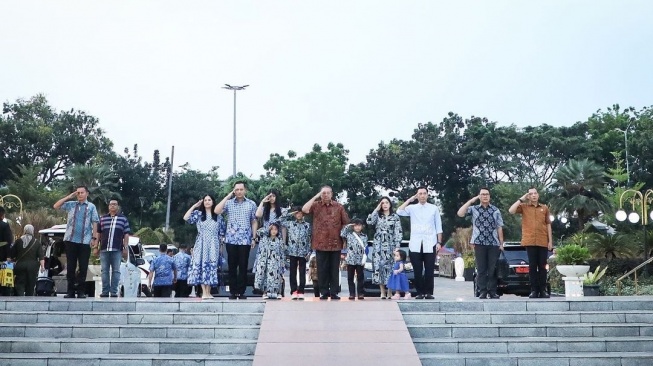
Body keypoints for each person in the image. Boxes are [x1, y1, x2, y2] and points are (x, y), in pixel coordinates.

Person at [302, 185, 350, 300]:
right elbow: (304, 209)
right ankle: (324, 292)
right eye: (323, 193)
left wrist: (345, 240)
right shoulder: (316, 206)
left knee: (334, 269)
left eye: (328, 193)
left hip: (335, 242)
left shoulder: (339, 207)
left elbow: (346, 223)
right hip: (320, 242)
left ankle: (334, 292)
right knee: (322, 269)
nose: (326, 195)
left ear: (332, 194)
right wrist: (316, 196)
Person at [457, 188, 505, 299]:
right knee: (481, 269)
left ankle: (492, 291)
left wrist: (501, 243)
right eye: (483, 194)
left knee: (492, 269)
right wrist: (471, 201)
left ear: (490, 196)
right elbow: (460, 213)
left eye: (487, 194)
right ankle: (482, 290)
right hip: (479, 242)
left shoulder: (495, 210)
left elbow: (499, 227)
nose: (485, 196)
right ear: (479, 196)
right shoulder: (474, 209)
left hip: (493, 242)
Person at [53, 186, 100, 299]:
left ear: (87, 193)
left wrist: (94, 239)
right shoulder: (72, 204)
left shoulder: (91, 207)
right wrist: (69, 197)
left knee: (83, 267)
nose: (79, 194)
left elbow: (95, 222)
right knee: (70, 266)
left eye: (82, 192)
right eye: (78, 193)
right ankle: (70, 291)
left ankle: (81, 291)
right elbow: (56, 206)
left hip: (85, 240)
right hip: (70, 239)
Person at [397, 187, 443, 300]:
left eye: (424, 193)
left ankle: (428, 292)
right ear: (417, 195)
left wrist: (439, 242)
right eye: (420, 194)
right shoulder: (412, 208)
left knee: (429, 269)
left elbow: (438, 226)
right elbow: (399, 211)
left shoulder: (433, 208)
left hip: (430, 242)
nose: (422, 196)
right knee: (417, 270)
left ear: (427, 195)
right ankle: (419, 292)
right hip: (415, 243)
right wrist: (410, 199)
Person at [215, 181, 258, 300]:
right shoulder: (228, 203)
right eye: (236, 190)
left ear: (245, 190)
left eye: (241, 189)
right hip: (231, 239)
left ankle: (241, 291)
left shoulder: (251, 204)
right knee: (232, 266)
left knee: (243, 266)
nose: (239, 191)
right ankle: (233, 292)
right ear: (234, 191)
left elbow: (254, 221)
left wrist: (254, 237)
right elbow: (217, 211)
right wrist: (228, 196)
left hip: (245, 240)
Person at [509, 187, 553, 299]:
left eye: (535, 193)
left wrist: (550, 241)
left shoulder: (544, 208)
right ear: (528, 196)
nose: (533, 195)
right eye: (530, 194)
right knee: (532, 267)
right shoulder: (524, 207)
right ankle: (534, 290)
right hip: (529, 241)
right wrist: (521, 199)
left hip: (542, 240)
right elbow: (511, 211)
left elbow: (548, 224)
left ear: (538, 195)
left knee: (543, 267)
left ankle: (543, 290)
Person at [184, 195, 225, 300]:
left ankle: (209, 292)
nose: (207, 202)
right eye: (205, 200)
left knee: (211, 266)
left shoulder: (218, 216)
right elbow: (186, 217)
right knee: (202, 266)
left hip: (214, 243)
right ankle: (204, 292)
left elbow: (222, 233)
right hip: (201, 243)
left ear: (213, 202)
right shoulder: (198, 214)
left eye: (209, 200)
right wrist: (194, 206)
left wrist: (221, 247)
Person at [367, 197, 403, 299]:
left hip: (390, 245)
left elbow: (398, 231)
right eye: (382, 203)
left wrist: (397, 246)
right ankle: (382, 291)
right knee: (379, 267)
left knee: (391, 268)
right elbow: (369, 221)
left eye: (387, 202)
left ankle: (390, 291)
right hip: (378, 245)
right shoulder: (377, 216)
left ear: (390, 204)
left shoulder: (395, 217)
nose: (385, 205)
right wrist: (377, 209)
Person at [96, 199, 131, 298]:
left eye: (115, 204)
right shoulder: (102, 219)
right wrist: (96, 246)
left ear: (118, 206)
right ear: (108, 206)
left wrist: (125, 248)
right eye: (111, 204)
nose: (112, 206)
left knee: (116, 271)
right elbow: (98, 233)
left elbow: (126, 234)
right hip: (104, 249)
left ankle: (114, 292)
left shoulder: (123, 219)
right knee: (104, 271)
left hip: (117, 249)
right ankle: (105, 291)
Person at [279, 206, 311, 300]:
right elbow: (280, 220)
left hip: (303, 252)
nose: (299, 215)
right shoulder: (290, 224)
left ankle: (301, 291)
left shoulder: (307, 225)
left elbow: (310, 239)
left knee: (302, 272)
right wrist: (291, 213)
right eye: (297, 213)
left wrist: (309, 251)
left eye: (300, 213)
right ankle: (293, 291)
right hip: (292, 251)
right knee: (292, 272)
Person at [253, 223, 285, 299]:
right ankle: (265, 292)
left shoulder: (279, 240)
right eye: (272, 229)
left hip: (276, 261)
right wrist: (267, 228)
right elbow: (258, 232)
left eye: (275, 229)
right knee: (266, 277)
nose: (274, 231)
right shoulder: (264, 238)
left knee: (277, 277)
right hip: (266, 261)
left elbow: (282, 252)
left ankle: (277, 292)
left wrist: (282, 263)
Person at [10, 225, 44, 296]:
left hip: (20, 265)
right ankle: (29, 298)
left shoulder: (18, 241)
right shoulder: (37, 242)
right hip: (32, 267)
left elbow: (12, 254)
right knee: (31, 284)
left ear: (24, 230)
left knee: (19, 283)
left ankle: (20, 296)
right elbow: (41, 257)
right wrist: (42, 267)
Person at [340, 219, 368, 300]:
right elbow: (342, 234)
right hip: (351, 259)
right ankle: (352, 293)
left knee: (360, 277)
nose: (357, 227)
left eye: (359, 225)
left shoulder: (364, 236)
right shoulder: (349, 235)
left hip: (360, 260)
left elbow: (366, 248)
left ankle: (360, 293)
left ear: (362, 226)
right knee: (350, 278)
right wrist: (348, 225)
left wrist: (364, 258)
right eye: (355, 225)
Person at [0, 206, 13, 296]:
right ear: (2, 215)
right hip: (2, 254)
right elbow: (9, 241)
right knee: (3, 273)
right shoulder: (4, 225)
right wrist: (8, 256)